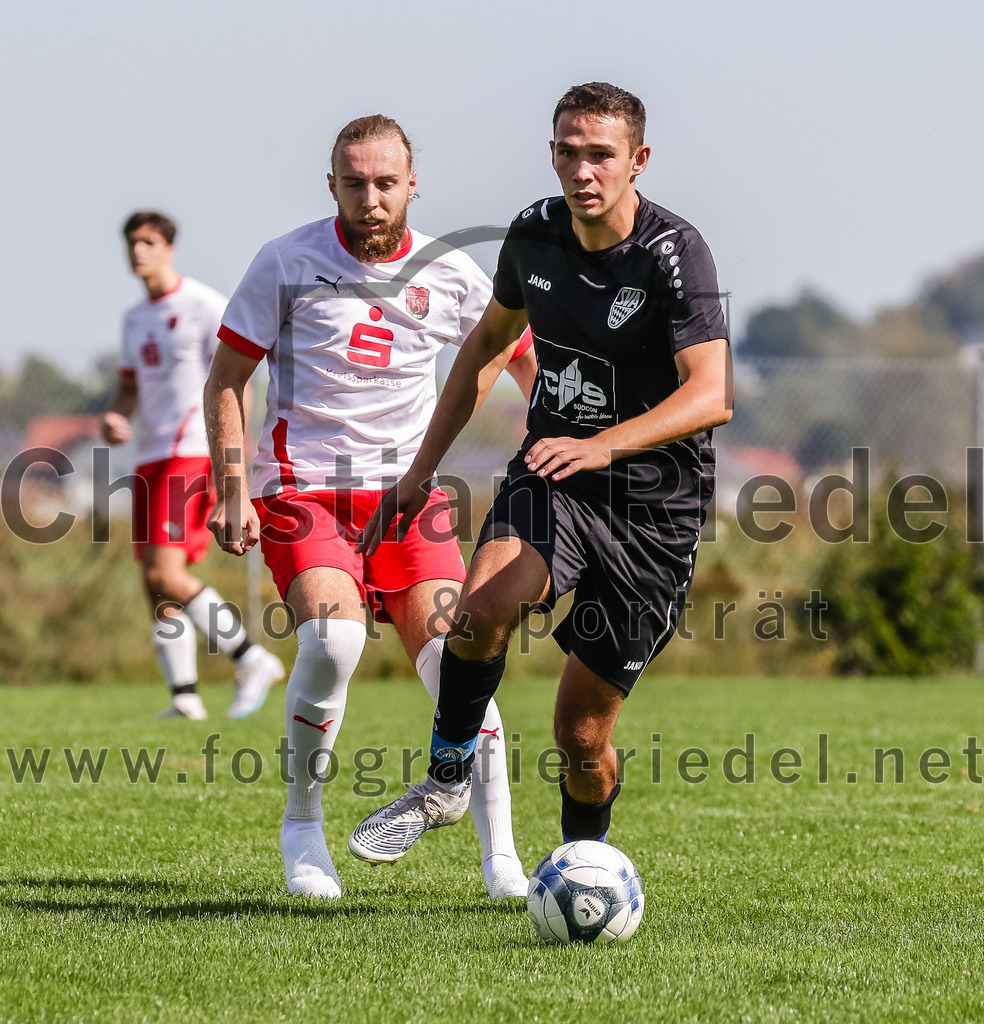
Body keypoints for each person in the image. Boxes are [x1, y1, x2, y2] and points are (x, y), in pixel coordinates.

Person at [349, 82, 734, 865]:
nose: (583, 170)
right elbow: (488, 346)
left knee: (581, 736)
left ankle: (578, 865)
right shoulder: (533, 233)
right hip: (554, 477)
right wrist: (422, 470)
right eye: (568, 151)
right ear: (551, 152)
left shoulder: (674, 251)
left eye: (601, 154)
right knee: (483, 606)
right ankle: (447, 778)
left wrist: (606, 443)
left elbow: (712, 393)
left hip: (653, 517)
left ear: (638, 161)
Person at [204, 115, 538, 900]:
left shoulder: (452, 273)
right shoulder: (285, 261)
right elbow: (227, 379)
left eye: (386, 182)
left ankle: (503, 862)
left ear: (412, 185)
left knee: (463, 666)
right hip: (302, 492)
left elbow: (527, 364)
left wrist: (560, 455)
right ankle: (302, 829)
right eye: (354, 183)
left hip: (408, 500)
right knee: (333, 640)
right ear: (333, 187)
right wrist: (228, 489)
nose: (371, 198)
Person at [102, 211, 283, 721]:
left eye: (148, 242)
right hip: (149, 457)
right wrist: (117, 413)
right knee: (152, 579)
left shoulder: (203, 304)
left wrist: (237, 464)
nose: (139, 251)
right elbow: (130, 383)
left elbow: (236, 379)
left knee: (167, 571)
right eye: (132, 243)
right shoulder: (134, 318)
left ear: (168, 248)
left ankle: (252, 659)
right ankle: (184, 696)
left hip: (190, 453)